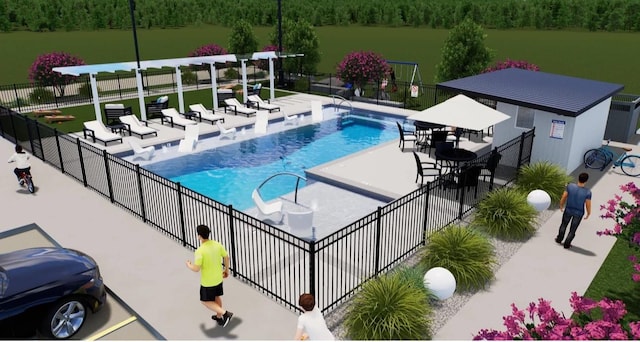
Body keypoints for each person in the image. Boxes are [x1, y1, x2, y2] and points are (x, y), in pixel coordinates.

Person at [186, 224, 233, 327]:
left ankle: (225, 313)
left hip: (208, 282)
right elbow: (226, 257)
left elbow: (196, 269)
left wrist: (189, 265)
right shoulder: (217, 244)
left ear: (199, 236)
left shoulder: (200, 251)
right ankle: (219, 317)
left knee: (205, 301)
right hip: (218, 278)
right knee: (217, 297)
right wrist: (226, 270)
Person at [556, 172, 592, 249]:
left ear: (578, 178)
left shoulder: (570, 186)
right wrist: (588, 213)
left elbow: (564, 197)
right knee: (573, 230)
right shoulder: (588, 192)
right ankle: (567, 244)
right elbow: (588, 204)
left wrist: (561, 205)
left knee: (563, 225)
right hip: (579, 213)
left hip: (568, 210)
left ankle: (559, 239)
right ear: (586, 181)